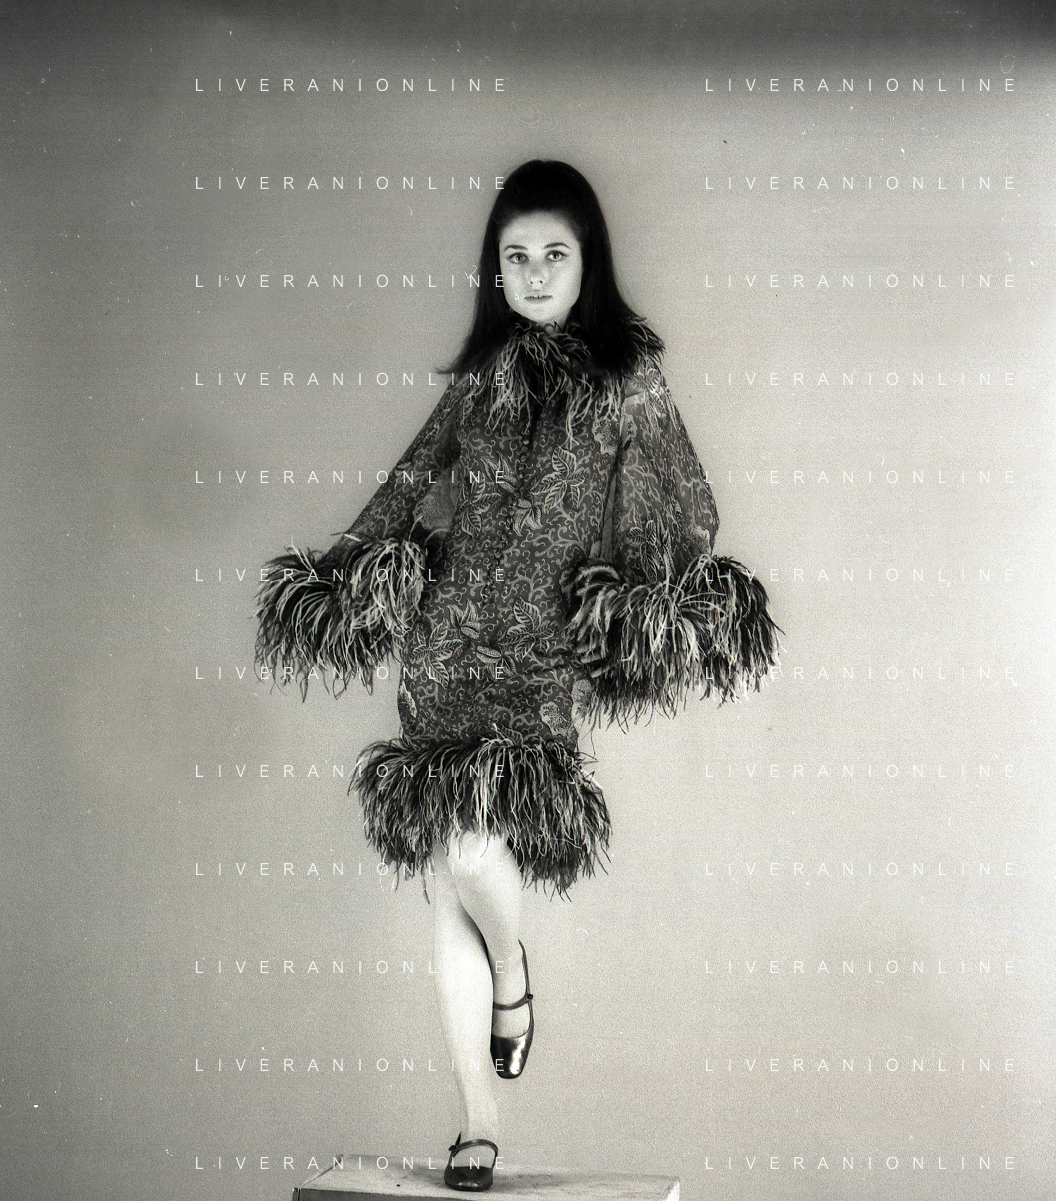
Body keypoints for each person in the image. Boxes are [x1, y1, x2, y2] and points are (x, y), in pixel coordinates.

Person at [256, 160, 778, 1190]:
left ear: (589, 264)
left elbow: (687, 505)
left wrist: (640, 598)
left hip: (539, 654)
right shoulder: (479, 382)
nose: (536, 274)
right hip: (444, 646)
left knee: (472, 849)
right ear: (495, 270)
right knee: (447, 874)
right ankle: (477, 1121)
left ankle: (510, 970)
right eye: (516, 256)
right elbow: (409, 486)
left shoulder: (629, 382)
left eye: (555, 254)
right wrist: (348, 576)